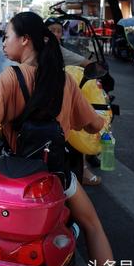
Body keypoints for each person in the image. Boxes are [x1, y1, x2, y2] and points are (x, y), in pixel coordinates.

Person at [0, 12, 116, 266]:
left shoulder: (12, 76)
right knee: (93, 226)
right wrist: (101, 121)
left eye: (6, 36)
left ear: (24, 40)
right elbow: (93, 124)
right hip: (55, 176)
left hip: (12, 175)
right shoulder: (65, 81)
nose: (3, 42)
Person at [45, 17, 102, 186]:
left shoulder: (50, 48)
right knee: (77, 125)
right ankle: (82, 170)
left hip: (40, 98)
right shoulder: (52, 50)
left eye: (58, 31)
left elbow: (83, 62)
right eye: (52, 30)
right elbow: (85, 63)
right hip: (51, 101)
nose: (56, 34)